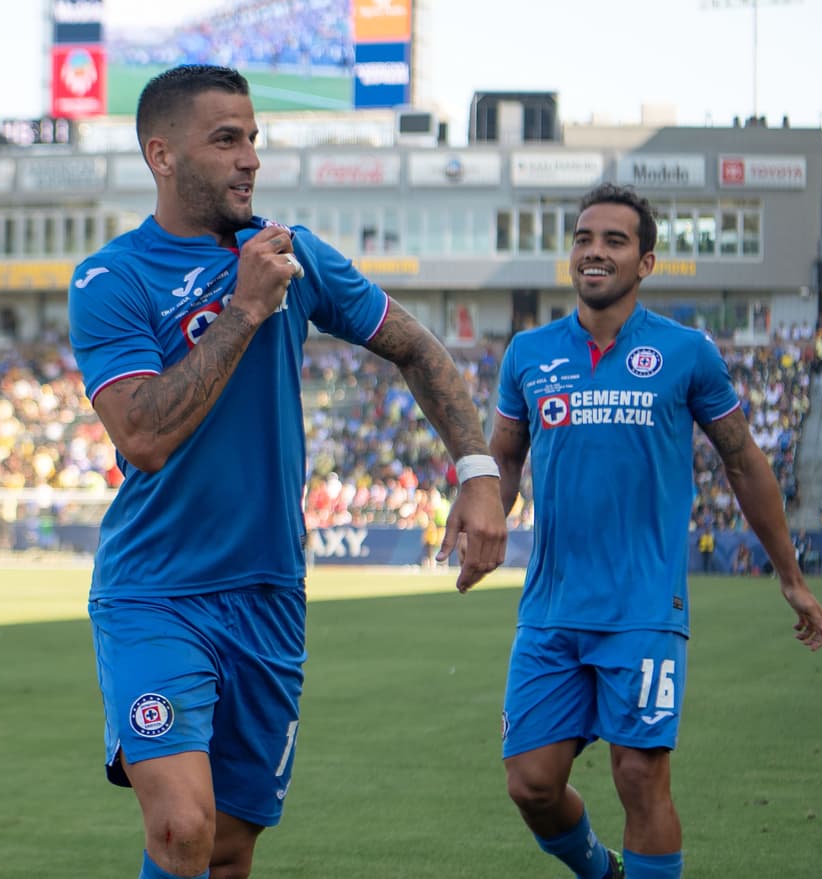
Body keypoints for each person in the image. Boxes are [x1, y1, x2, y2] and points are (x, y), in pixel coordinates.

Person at [66, 65, 508, 879]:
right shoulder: (112, 278)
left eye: (254, 139)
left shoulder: (291, 253)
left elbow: (414, 345)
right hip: (155, 591)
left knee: (229, 850)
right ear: (162, 155)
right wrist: (243, 310)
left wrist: (478, 470)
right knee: (181, 830)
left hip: (268, 596)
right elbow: (142, 435)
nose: (250, 160)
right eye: (225, 139)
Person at [488, 183, 822, 879]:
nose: (594, 251)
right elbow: (503, 453)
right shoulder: (528, 352)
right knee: (531, 782)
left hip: (644, 606)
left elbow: (743, 460)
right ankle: (602, 870)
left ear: (646, 263)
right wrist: (486, 517)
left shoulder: (686, 352)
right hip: (551, 606)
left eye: (615, 240)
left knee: (641, 776)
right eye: (584, 237)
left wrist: (790, 576)